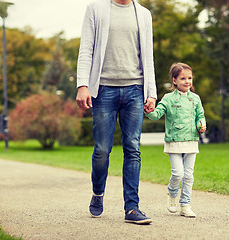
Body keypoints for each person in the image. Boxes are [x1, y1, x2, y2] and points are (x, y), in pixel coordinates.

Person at [76, 0, 157, 225]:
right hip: (103, 89)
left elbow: (148, 55)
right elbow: (86, 49)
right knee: (102, 149)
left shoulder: (143, 14)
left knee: (133, 148)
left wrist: (151, 92)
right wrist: (83, 84)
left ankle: (132, 208)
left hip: (135, 89)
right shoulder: (96, 9)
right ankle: (98, 192)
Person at [146, 62, 206, 218]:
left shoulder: (195, 99)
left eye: (189, 78)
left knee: (189, 175)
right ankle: (172, 194)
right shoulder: (168, 98)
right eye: (183, 78)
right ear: (174, 80)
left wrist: (202, 125)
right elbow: (156, 114)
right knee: (178, 173)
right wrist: (149, 111)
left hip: (191, 140)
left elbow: (201, 116)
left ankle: (185, 204)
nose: (187, 81)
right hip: (174, 141)